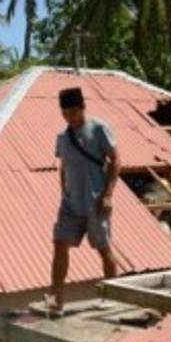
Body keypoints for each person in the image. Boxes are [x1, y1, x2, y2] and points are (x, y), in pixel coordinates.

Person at [48, 86, 120, 314]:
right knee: (60, 244)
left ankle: (111, 296)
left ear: (82, 108)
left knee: (103, 248)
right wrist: (64, 192)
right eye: (64, 113)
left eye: (72, 112)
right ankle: (55, 299)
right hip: (71, 203)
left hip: (95, 201)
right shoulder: (63, 138)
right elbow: (63, 167)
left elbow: (116, 160)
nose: (68, 116)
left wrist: (108, 195)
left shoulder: (99, 129)